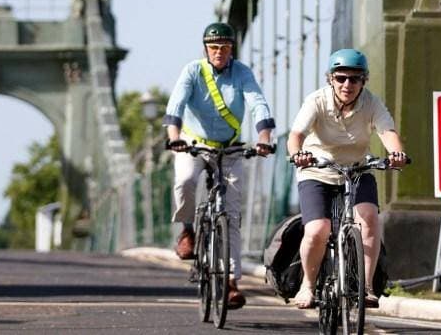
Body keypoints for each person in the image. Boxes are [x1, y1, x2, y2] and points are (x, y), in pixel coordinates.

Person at [163, 21, 276, 310]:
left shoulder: (242, 73)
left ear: (231, 49)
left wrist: (264, 138)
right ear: (205, 49)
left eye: (224, 48)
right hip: (193, 143)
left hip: (230, 148)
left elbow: (258, 103)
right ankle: (187, 230)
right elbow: (176, 105)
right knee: (185, 180)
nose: (219, 52)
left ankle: (231, 282)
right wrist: (174, 138)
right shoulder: (193, 71)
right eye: (213, 47)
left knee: (232, 213)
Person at [287, 48, 408, 309]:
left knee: (369, 219)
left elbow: (388, 132)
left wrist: (396, 154)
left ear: (364, 81)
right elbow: (296, 135)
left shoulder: (372, 103)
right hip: (317, 170)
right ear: (330, 79)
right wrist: (298, 155)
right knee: (318, 229)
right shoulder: (316, 101)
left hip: (356, 170)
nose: (347, 85)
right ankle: (307, 285)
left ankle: (366, 287)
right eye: (340, 78)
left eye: (355, 79)